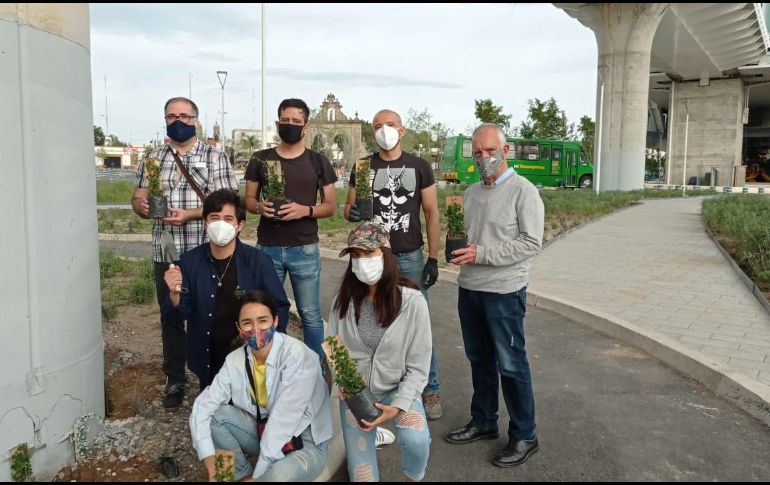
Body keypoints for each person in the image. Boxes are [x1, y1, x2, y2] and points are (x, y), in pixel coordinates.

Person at [444, 123, 544, 468]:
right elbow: (464, 239)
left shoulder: (523, 191)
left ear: (506, 150)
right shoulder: (471, 193)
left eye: (490, 150)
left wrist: (481, 254)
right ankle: (484, 420)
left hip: (503, 292)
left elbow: (531, 243)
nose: (483, 157)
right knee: (479, 359)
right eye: (477, 152)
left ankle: (524, 435)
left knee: (512, 364)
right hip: (470, 289)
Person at [132, 96, 238, 409]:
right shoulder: (152, 157)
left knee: (212, 313)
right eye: (171, 115)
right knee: (171, 315)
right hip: (166, 250)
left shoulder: (215, 155)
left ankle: (217, 377)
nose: (178, 120)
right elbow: (137, 198)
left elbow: (226, 201)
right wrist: (140, 206)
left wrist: (190, 214)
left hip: (206, 250)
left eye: (184, 115)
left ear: (195, 119)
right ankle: (175, 378)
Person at [343, 109, 443, 420]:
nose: (383, 131)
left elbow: (431, 212)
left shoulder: (419, 166)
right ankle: (373, 383)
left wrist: (433, 257)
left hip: (409, 256)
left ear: (402, 130)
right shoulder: (363, 167)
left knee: (417, 323)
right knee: (369, 318)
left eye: (389, 125)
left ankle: (429, 388)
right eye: (377, 126)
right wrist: (353, 213)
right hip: (372, 256)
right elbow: (347, 208)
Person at [190, 289, 332, 481]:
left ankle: (251, 477)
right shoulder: (235, 360)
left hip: (306, 442)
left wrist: (259, 477)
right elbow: (202, 407)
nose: (255, 329)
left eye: (263, 320)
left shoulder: (298, 356)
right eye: (247, 323)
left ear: (275, 321)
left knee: (278, 476)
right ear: (239, 329)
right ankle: (234, 475)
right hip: (264, 432)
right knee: (216, 415)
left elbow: (282, 422)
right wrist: (212, 467)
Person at [328, 222, 432, 482]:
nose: (363, 261)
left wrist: (397, 408)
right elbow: (333, 348)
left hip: (397, 387)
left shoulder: (412, 302)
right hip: (357, 395)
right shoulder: (342, 303)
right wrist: (342, 381)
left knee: (416, 437)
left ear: (386, 255)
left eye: (370, 253)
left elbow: (419, 367)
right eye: (356, 255)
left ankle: (412, 477)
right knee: (362, 476)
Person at [162, 189, 291, 389]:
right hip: (206, 354)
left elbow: (279, 306)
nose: (220, 224)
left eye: (228, 219)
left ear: (239, 226)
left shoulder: (258, 261)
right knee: (214, 408)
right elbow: (174, 317)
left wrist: (269, 347)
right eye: (214, 218)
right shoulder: (190, 261)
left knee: (250, 407)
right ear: (205, 223)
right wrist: (174, 294)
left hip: (249, 353)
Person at [244, 98, 338, 360]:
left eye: (296, 121)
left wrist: (304, 210)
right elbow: (249, 200)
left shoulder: (318, 162)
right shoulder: (260, 159)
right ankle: (274, 365)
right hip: (267, 249)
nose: (290, 125)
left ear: (305, 126)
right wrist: (258, 207)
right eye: (285, 121)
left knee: (310, 314)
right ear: (277, 123)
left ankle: (314, 372)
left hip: (304, 248)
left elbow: (330, 206)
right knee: (269, 313)